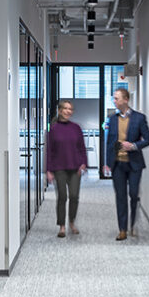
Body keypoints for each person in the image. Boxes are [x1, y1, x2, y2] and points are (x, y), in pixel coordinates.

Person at [103, 88, 149, 241]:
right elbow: (109, 142)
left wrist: (133, 146)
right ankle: (123, 229)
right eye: (114, 98)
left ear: (126, 99)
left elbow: (148, 139)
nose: (114, 101)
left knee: (133, 194)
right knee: (121, 196)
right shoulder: (112, 119)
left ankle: (133, 224)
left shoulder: (139, 118)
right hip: (118, 164)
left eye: (116, 98)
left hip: (134, 164)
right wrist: (107, 163)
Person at [46, 100, 87, 238]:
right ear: (59, 111)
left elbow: (82, 147)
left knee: (74, 196)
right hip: (59, 168)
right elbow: (49, 150)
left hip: (75, 167)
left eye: (71, 109)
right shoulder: (54, 129)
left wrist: (83, 163)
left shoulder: (76, 128)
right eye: (66, 108)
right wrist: (48, 170)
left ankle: (72, 222)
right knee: (62, 196)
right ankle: (62, 226)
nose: (68, 111)